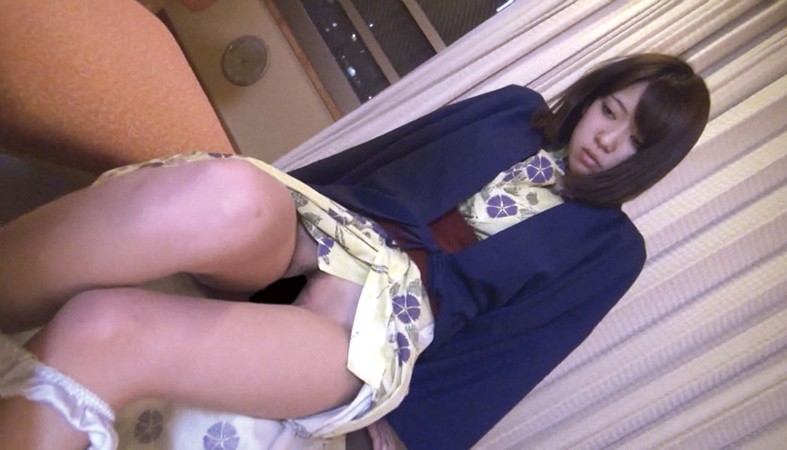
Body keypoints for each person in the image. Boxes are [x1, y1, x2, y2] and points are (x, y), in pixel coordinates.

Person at [0, 2, 710, 449]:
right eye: (610, 111)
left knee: (103, 329)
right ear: (592, 97)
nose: (607, 140)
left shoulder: (612, 250)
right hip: (330, 226)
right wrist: (276, 201)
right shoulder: (513, 110)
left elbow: (515, 352)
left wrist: (395, 435)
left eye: (636, 141)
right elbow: (388, 157)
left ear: (653, 159)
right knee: (226, 194)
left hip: (385, 319)